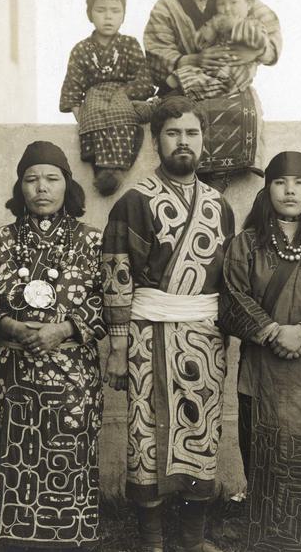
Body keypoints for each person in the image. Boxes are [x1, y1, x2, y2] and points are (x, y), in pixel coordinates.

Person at [101, 95, 235, 552]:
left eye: (192, 133)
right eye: (173, 133)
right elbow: (118, 275)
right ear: (156, 140)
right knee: (146, 435)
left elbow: (229, 277)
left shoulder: (219, 205)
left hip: (204, 336)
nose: (183, 141)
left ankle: (193, 538)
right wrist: (118, 347)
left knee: (203, 431)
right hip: (146, 335)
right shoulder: (135, 202)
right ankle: (152, 540)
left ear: (203, 140)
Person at [220, 151, 301, 552]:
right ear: (267, 189)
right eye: (280, 182)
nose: (289, 190)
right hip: (261, 373)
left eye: (299, 182)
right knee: (263, 464)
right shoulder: (245, 244)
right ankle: (265, 543)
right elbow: (233, 297)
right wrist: (273, 330)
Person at [0, 141, 107, 550]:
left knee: (71, 454)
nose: (41, 188)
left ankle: (75, 536)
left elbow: (110, 305)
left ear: (67, 185)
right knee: (19, 454)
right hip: (17, 372)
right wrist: (10, 326)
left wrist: (66, 329)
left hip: (75, 374)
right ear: (20, 187)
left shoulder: (93, 242)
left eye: (51, 179)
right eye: (31, 179)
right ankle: (19, 538)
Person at [144, 0, 282, 189]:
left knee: (241, 110)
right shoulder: (166, 7)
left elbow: (273, 43)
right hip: (187, 86)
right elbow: (155, 54)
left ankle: (220, 181)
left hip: (233, 83)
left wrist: (251, 50)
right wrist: (191, 60)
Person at [59, 0, 155, 196]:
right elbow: (74, 83)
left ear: (123, 16)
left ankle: (119, 169)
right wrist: (80, 115)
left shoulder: (129, 44)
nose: (108, 17)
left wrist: (127, 95)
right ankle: (102, 169)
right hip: (94, 95)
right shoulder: (81, 49)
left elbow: (143, 77)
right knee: (93, 113)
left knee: (122, 113)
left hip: (124, 93)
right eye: (101, 11)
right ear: (90, 14)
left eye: (115, 11)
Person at [179, 0, 268, 100]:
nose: (227, 9)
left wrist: (235, 26)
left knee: (193, 84)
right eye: (221, 4)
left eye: (233, 2)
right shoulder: (217, 23)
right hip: (211, 71)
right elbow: (199, 44)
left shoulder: (253, 24)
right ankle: (165, 101)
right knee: (185, 75)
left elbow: (260, 41)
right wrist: (211, 29)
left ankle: (169, 102)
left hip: (232, 78)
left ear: (249, 4)